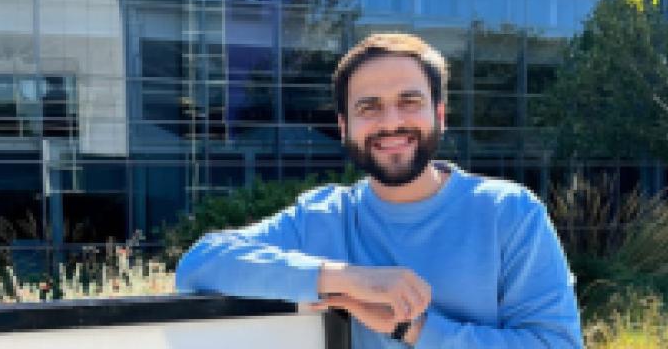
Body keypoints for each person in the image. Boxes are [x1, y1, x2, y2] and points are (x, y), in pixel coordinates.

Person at [176, 33, 583, 348]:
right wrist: (348, 279)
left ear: (440, 115)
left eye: (409, 101)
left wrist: (413, 328)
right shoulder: (323, 217)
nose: (390, 123)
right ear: (344, 127)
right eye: (368, 107)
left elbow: (556, 344)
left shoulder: (509, 213)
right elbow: (199, 265)